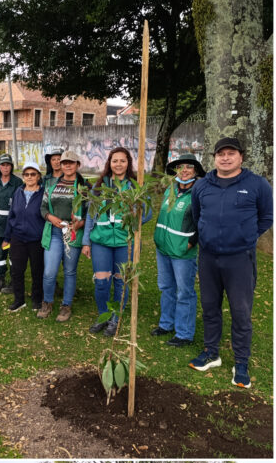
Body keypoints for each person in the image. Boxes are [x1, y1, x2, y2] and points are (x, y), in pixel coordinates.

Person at [188, 137, 274, 388]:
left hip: (240, 259)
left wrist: (245, 237)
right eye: (220, 154)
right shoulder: (202, 185)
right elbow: (196, 214)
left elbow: (266, 216)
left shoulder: (257, 184)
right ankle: (211, 353)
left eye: (231, 153)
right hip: (208, 257)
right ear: (214, 158)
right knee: (210, 307)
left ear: (241, 157)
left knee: (241, 311)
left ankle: (242, 363)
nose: (225, 158)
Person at [81, 147, 151, 337]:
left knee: (121, 282)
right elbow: (90, 216)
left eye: (122, 161)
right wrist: (86, 241)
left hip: (124, 242)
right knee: (102, 282)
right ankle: (104, 315)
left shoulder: (134, 186)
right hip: (101, 242)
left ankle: (115, 318)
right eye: (115, 161)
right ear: (109, 163)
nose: (118, 164)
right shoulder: (99, 187)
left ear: (128, 163)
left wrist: (135, 209)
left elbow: (147, 215)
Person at [151, 153, 205, 348]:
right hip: (164, 248)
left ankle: (184, 333)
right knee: (166, 287)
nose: (184, 171)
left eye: (189, 167)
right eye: (180, 167)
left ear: (196, 171)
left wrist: (193, 241)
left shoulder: (199, 192)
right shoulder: (171, 189)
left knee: (184, 292)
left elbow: (204, 220)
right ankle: (166, 324)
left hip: (183, 251)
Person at [38, 151, 88, 322]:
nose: (67, 165)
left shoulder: (83, 187)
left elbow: (90, 213)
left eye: (71, 163)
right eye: (64, 162)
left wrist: (79, 224)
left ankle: (66, 305)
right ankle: (47, 302)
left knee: (69, 271)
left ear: (77, 165)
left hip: (73, 233)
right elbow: (43, 208)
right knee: (50, 271)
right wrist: (51, 218)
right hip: (54, 232)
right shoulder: (52, 185)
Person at [3, 162, 46, 312]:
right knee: (17, 270)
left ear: (39, 176)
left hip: (36, 239)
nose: (29, 177)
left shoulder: (43, 193)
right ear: (23, 177)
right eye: (26, 174)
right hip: (18, 238)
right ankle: (19, 300)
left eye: (33, 174)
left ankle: (37, 299)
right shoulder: (18, 192)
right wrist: (7, 238)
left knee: (37, 270)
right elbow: (11, 215)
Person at [0, 154, 23, 294]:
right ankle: (0, 280)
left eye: (8, 165)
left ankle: (14, 282)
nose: (5, 167)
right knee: (0, 255)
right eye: (3, 165)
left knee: (14, 255)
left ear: (12, 166)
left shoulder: (18, 183)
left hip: (13, 228)